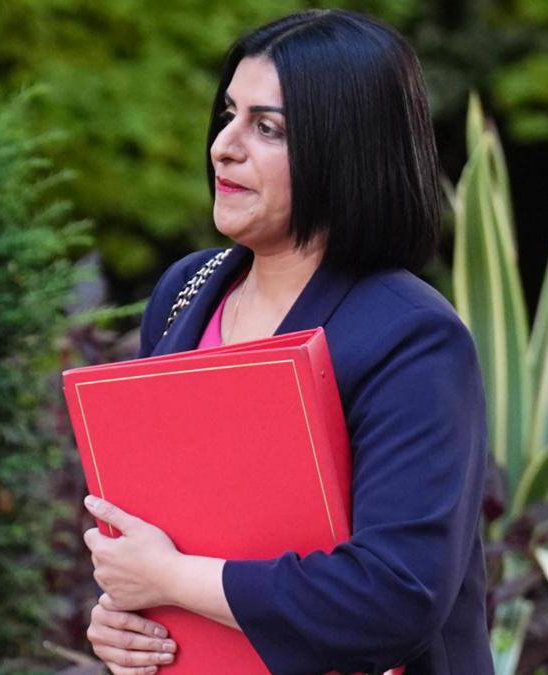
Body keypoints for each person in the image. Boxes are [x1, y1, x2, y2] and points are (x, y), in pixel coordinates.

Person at [80, 9, 493, 675]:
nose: (224, 145)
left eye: (266, 127)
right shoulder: (188, 290)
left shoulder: (413, 337)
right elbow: (160, 532)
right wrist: (129, 622)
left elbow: (393, 595)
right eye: (228, 114)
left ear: (347, 149)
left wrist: (171, 578)